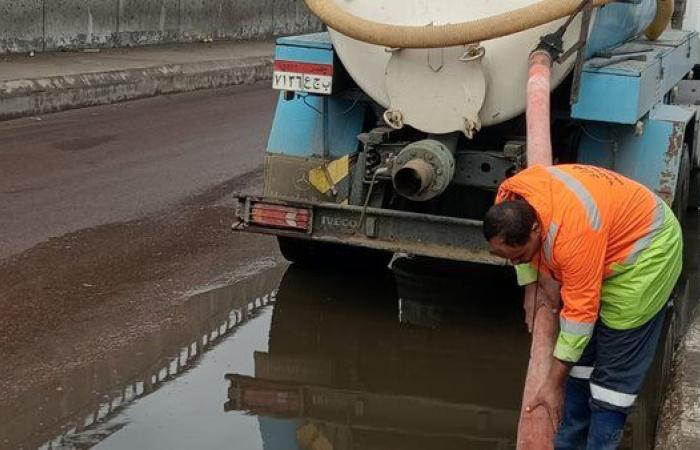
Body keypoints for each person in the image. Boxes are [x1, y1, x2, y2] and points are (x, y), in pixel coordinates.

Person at [482, 164, 683, 449]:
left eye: (521, 256)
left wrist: (551, 385)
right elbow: (522, 252)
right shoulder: (510, 197)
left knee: (612, 379)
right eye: (507, 258)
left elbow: (580, 316)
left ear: (536, 230)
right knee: (579, 362)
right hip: (607, 233)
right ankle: (568, 443)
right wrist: (531, 284)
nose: (515, 262)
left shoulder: (573, 240)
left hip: (646, 254)